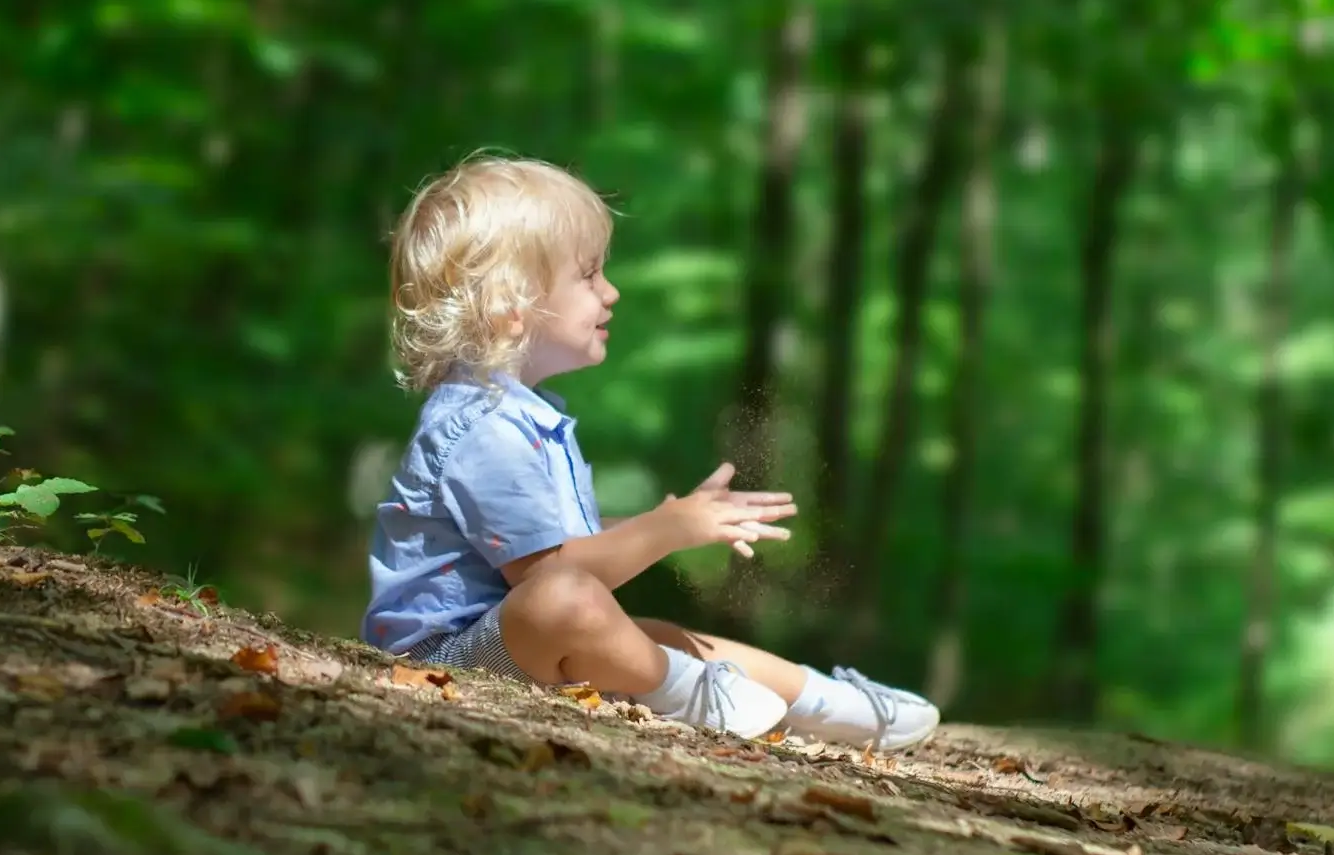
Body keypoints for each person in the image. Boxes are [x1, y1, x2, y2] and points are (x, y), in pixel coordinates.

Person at [360, 153, 940, 748]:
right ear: (512, 303)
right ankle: (698, 694)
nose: (610, 292)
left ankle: (826, 702)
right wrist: (666, 530)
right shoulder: (484, 429)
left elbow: (555, 547)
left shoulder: (520, 416)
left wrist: (664, 522)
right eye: (588, 275)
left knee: (653, 630)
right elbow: (553, 576)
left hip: (510, 639)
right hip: (452, 661)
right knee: (570, 600)